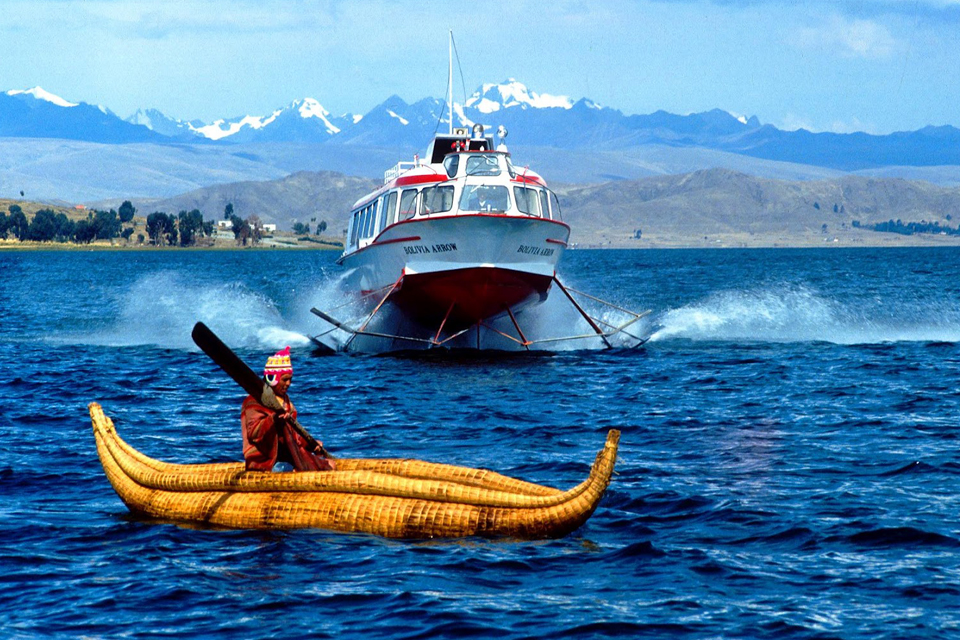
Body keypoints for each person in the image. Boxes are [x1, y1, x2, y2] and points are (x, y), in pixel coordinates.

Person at [241, 346, 335, 472]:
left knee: (331, 465)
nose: (288, 383)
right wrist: (273, 420)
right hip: (266, 461)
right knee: (285, 469)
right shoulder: (253, 401)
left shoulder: (286, 403)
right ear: (272, 379)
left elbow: (294, 435)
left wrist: (310, 445)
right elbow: (254, 433)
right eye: (285, 379)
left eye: (290, 379)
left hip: (289, 456)